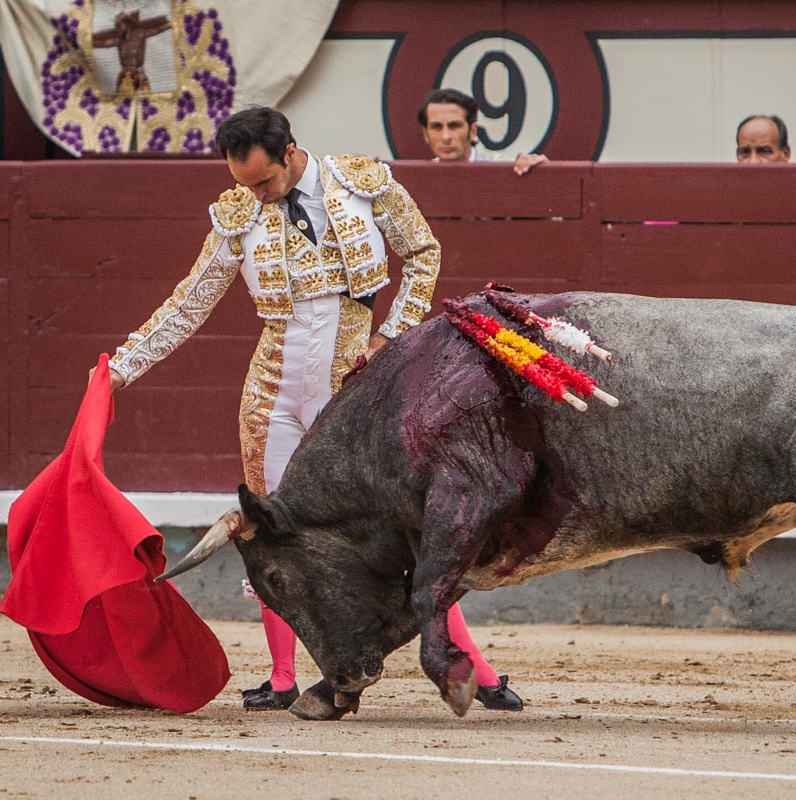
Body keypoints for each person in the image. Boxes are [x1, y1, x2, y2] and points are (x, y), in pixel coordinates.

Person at [90, 107, 522, 713]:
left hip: (353, 393)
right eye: (245, 185)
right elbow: (190, 302)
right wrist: (122, 367)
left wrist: (391, 335)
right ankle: (283, 675)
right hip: (273, 393)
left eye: (264, 181)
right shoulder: (238, 213)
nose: (257, 195)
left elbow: (423, 252)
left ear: (291, 153)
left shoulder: (361, 182)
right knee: (270, 532)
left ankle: (473, 666)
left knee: (406, 534)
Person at [417, 88, 548, 175]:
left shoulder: (507, 169)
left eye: (454, 126)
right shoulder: (417, 179)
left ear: (473, 131)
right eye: (436, 127)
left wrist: (541, 170)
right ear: (425, 134)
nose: (446, 137)